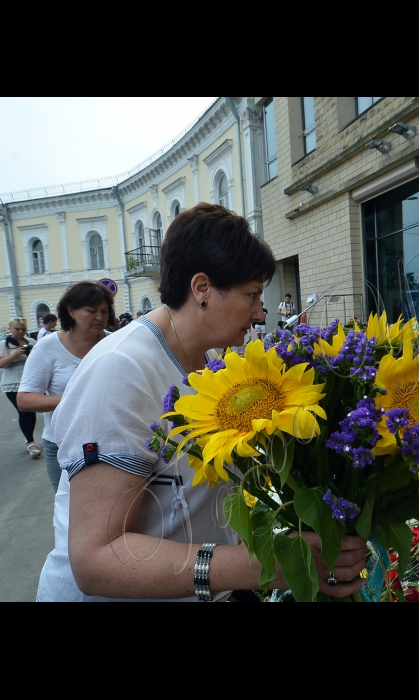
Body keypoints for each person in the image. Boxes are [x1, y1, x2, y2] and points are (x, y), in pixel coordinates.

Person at [37, 203, 366, 602]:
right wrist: (267, 564)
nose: (261, 313)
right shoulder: (121, 371)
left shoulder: (207, 365)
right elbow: (97, 560)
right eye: (252, 295)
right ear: (202, 288)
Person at [17, 282, 113, 494]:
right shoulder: (48, 347)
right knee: (70, 516)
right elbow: (24, 400)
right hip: (63, 444)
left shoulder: (114, 342)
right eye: (91, 311)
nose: (100, 317)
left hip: (110, 441)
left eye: (104, 311)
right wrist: (73, 399)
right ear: (71, 311)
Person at [0, 318, 40, 458]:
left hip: (30, 381)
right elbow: (1, 364)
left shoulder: (32, 342)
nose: (20, 332)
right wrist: (16, 353)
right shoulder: (3, 345)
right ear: (10, 329)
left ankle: (28, 438)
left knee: (30, 411)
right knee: (23, 410)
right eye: (17, 329)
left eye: (23, 329)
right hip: (12, 383)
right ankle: (30, 442)